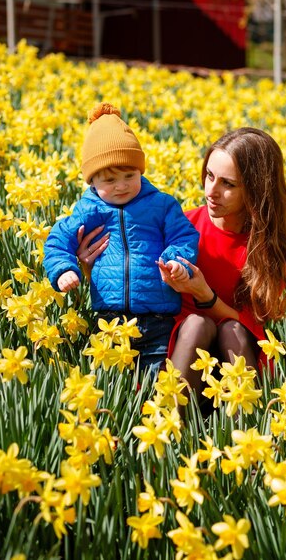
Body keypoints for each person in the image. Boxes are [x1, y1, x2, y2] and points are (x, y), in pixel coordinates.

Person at [78, 126, 286, 396]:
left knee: (231, 328)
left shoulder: (278, 243)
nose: (211, 191)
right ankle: (171, 421)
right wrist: (92, 271)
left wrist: (204, 295)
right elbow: (138, 286)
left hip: (237, 353)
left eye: (228, 184)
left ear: (256, 190)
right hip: (177, 352)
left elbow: (253, 322)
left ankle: (246, 428)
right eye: (209, 176)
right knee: (197, 324)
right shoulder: (182, 226)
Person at [43, 102, 199, 374]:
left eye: (130, 175)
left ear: (141, 171)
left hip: (157, 318)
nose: (122, 185)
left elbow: (184, 237)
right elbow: (57, 240)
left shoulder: (162, 205)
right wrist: (64, 270)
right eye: (110, 180)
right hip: (110, 320)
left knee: (154, 382)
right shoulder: (88, 209)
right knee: (114, 385)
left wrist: (176, 261)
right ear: (92, 181)